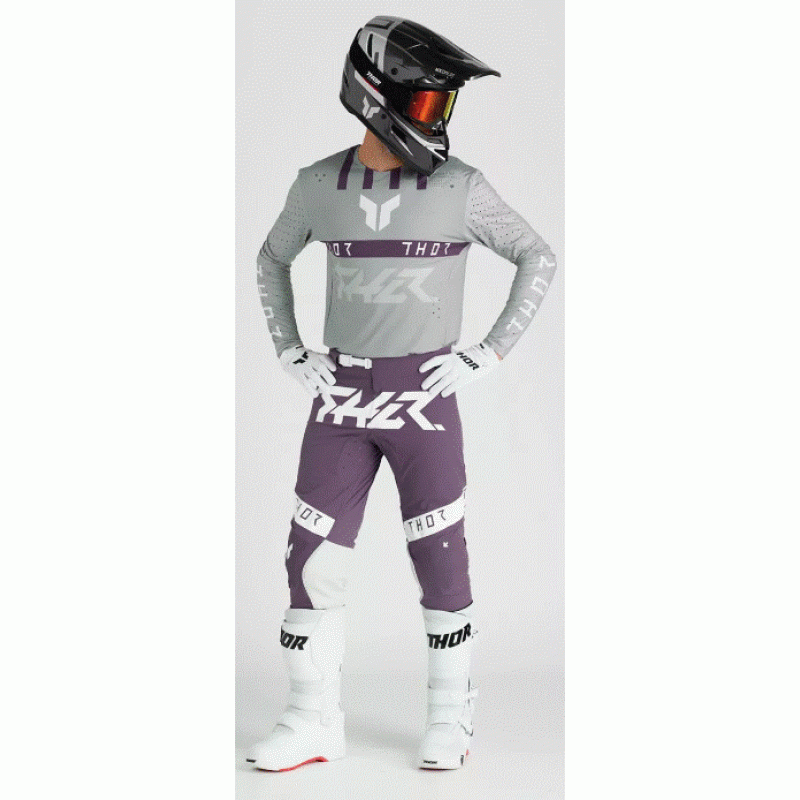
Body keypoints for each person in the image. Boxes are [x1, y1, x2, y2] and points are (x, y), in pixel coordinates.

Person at [246, 15, 557, 772]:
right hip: (342, 398)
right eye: (422, 102)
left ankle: (451, 716)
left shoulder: (460, 187)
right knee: (312, 561)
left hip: (425, 396)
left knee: (441, 557)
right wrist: (289, 350)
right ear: (372, 95)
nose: (435, 119)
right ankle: (310, 718)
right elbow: (270, 258)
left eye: (441, 104)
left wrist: (487, 353)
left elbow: (537, 255)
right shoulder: (317, 185)